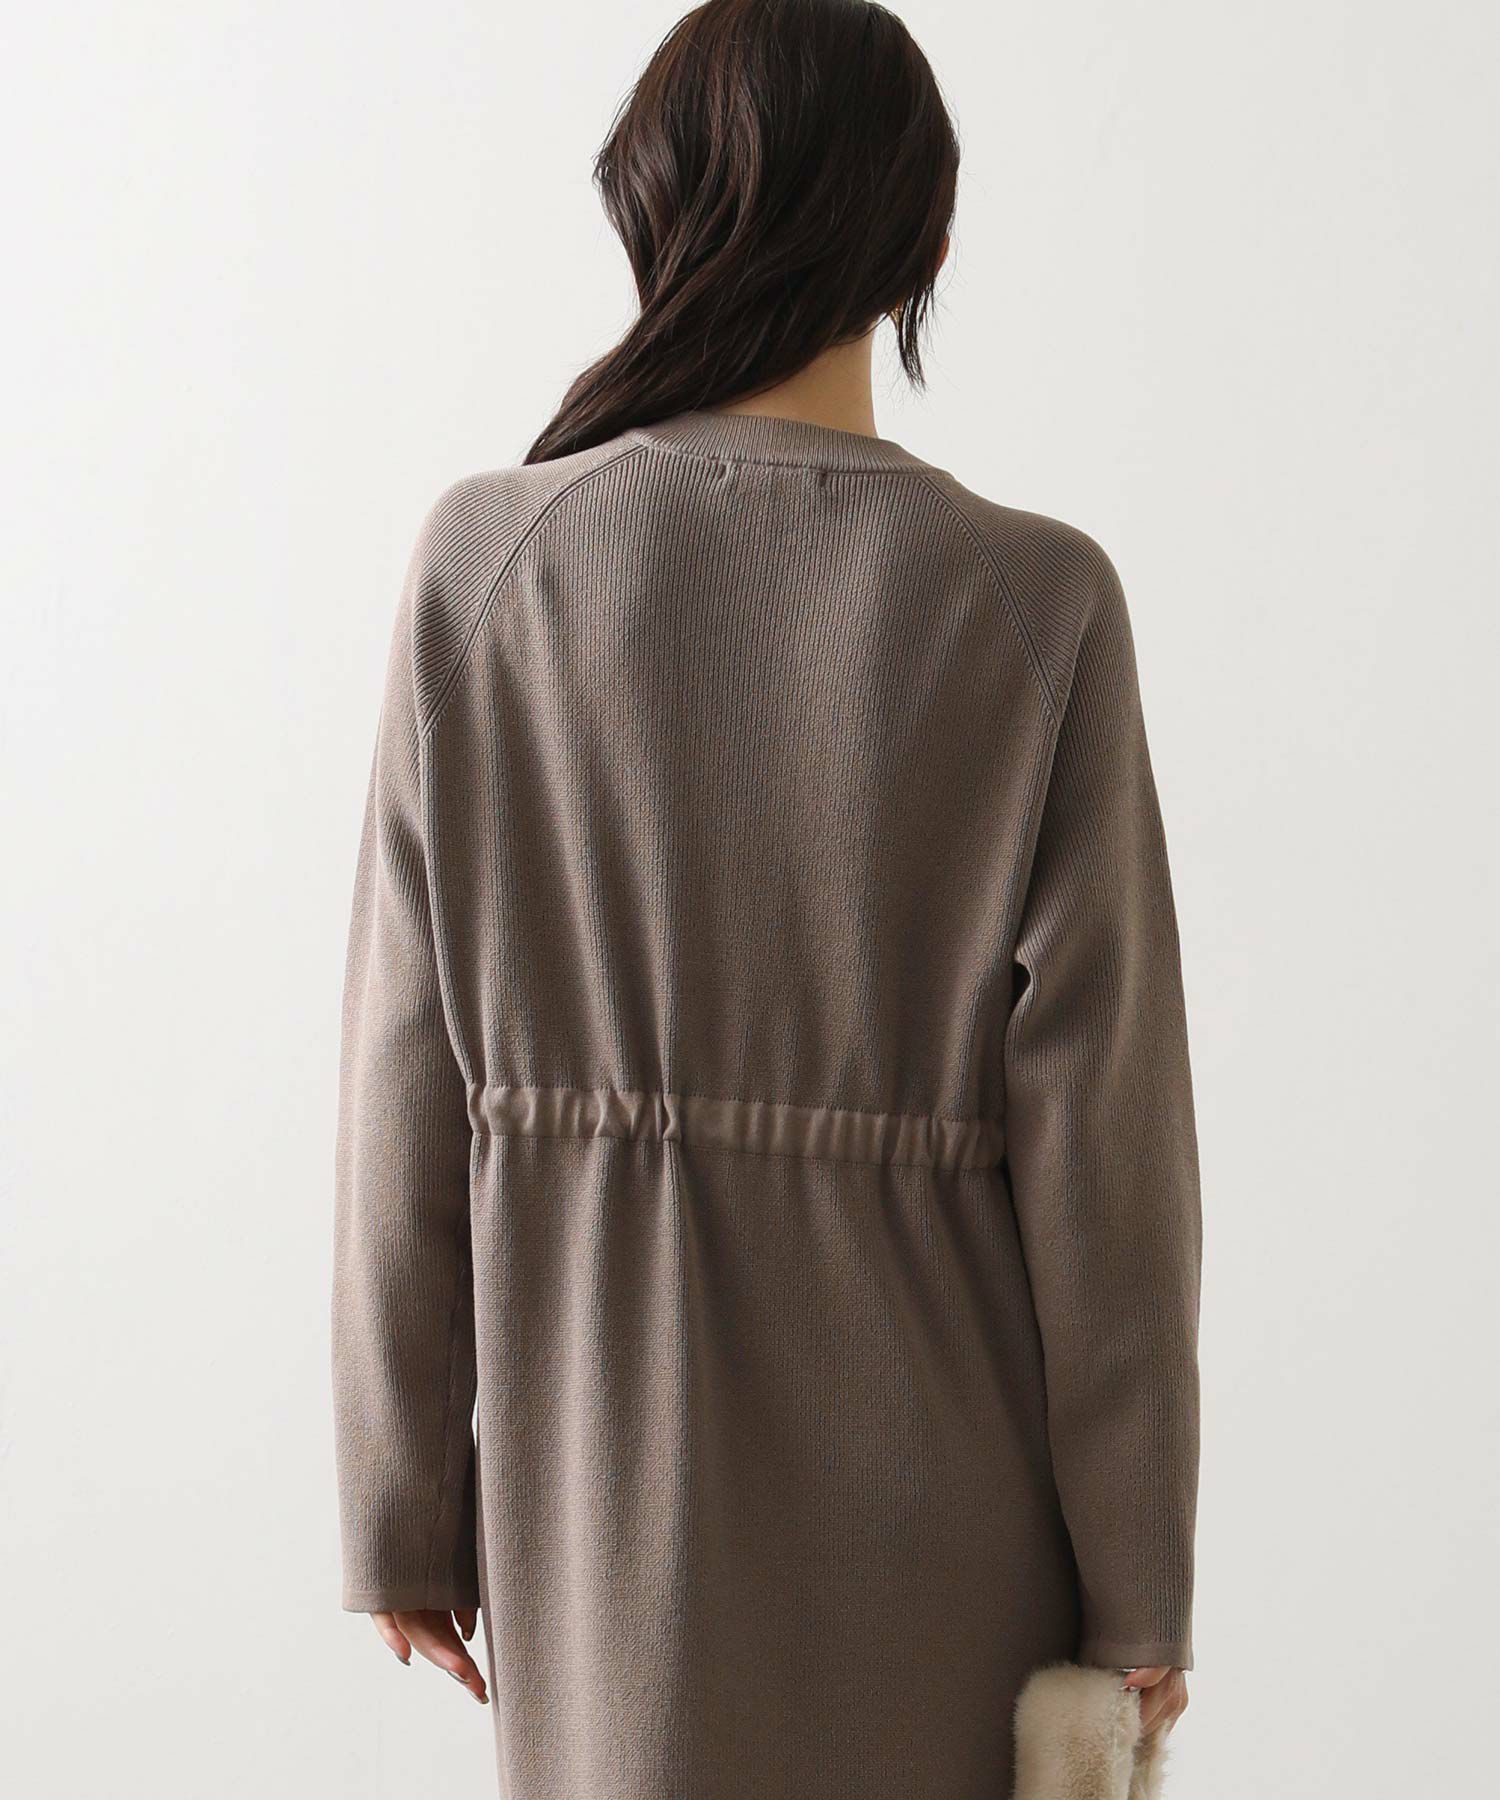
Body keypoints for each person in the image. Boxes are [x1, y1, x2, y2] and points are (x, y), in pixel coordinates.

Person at [331, 1, 1199, 1793]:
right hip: (951, 1532)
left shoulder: (489, 569)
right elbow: (1110, 1168)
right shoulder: (1038, 608)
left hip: (605, 1498)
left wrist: (403, 1501)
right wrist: (1138, 1584)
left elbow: (403, 1074)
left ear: (653, 219)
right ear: (925, 248)